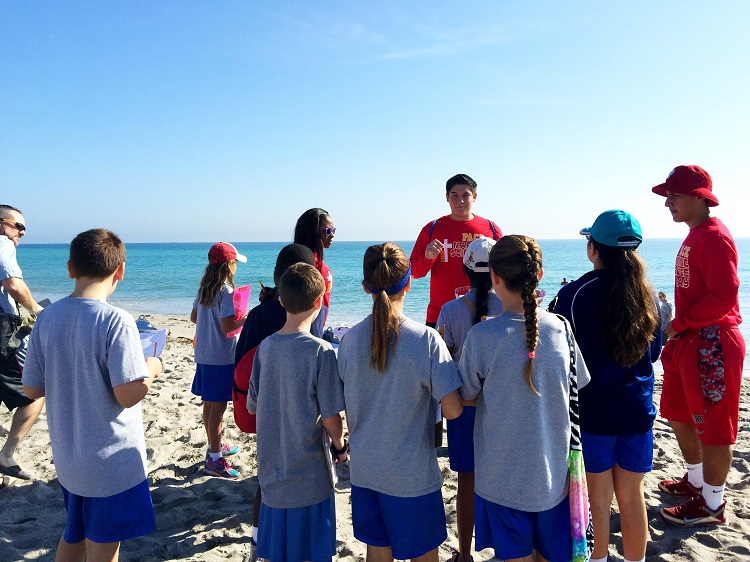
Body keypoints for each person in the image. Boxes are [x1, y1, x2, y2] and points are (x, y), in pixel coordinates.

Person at [21, 228, 163, 562]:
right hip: (111, 462)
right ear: (121, 271)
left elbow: (32, 389)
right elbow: (128, 394)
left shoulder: (47, 317)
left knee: (75, 534)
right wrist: (152, 367)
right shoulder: (116, 321)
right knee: (104, 546)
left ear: (70, 268)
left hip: (70, 458)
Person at [459, 235, 591, 562]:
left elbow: (465, 397)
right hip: (554, 480)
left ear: (494, 277)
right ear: (540, 275)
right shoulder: (560, 327)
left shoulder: (482, 337)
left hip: (500, 481)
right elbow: (579, 385)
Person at [337, 242, 463, 562]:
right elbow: (453, 409)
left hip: (366, 470)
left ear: (365, 287)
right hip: (411, 476)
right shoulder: (426, 340)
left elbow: (347, 406)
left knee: (378, 553)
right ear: (409, 282)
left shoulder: (349, 341)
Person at [553, 210, 661, 562]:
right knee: (632, 495)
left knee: (597, 497)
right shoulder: (651, 299)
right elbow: (654, 352)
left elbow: (560, 355)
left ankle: (597, 558)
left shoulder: (573, 294)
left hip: (593, 414)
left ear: (593, 249)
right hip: (637, 411)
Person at [651, 165, 745, 526]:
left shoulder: (714, 236)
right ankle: (695, 479)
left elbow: (725, 296)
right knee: (676, 411)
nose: (668, 203)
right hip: (687, 340)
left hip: (712, 341)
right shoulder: (695, 234)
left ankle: (712, 504)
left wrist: (679, 324)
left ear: (698, 197)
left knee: (715, 425)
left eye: (673, 196)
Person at [247, 262, 347, 562]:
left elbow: (253, 404)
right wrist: (340, 445)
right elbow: (331, 417)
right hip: (309, 480)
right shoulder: (321, 352)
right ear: (319, 302)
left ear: (281, 300)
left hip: (272, 476)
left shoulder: (265, 347)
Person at [234, 243, 316, 562]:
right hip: (302, 415)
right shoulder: (306, 313)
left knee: (266, 481)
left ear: (276, 278)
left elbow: (240, 365)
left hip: (264, 411)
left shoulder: (258, 315)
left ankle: (257, 546)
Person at [436, 236, 503, 562]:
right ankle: (507, 549)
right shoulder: (510, 307)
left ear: (465, 269)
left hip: (463, 409)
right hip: (502, 409)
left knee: (466, 483)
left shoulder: (450, 311)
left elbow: (444, 364)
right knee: (503, 481)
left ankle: (464, 553)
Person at [410, 174, 502, 328]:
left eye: (465, 195)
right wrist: (427, 258)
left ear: (474, 196)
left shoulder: (491, 229)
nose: (460, 201)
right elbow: (415, 272)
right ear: (447, 197)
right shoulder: (432, 229)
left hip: (484, 312)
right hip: (440, 313)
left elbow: (503, 271)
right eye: (454, 195)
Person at [190, 242, 247, 479]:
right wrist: (245, 319)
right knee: (218, 409)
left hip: (204, 353)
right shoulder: (225, 291)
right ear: (229, 265)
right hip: (221, 357)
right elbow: (227, 326)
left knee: (210, 404)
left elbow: (194, 317)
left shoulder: (204, 288)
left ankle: (214, 446)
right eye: (235, 263)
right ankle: (214, 458)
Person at [0, 204, 44, 481]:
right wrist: (37, 310)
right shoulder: (2, 242)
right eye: (18, 226)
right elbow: (13, 284)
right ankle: (6, 456)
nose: (22, 233)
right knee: (34, 393)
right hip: (2, 330)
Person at [293, 208, 335, 337]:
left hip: (318, 321)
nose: (332, 234)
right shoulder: (306, 263)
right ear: (312, 233)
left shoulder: (317, 259)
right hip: (309, 324)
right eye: (327, 231)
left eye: (333, 230)